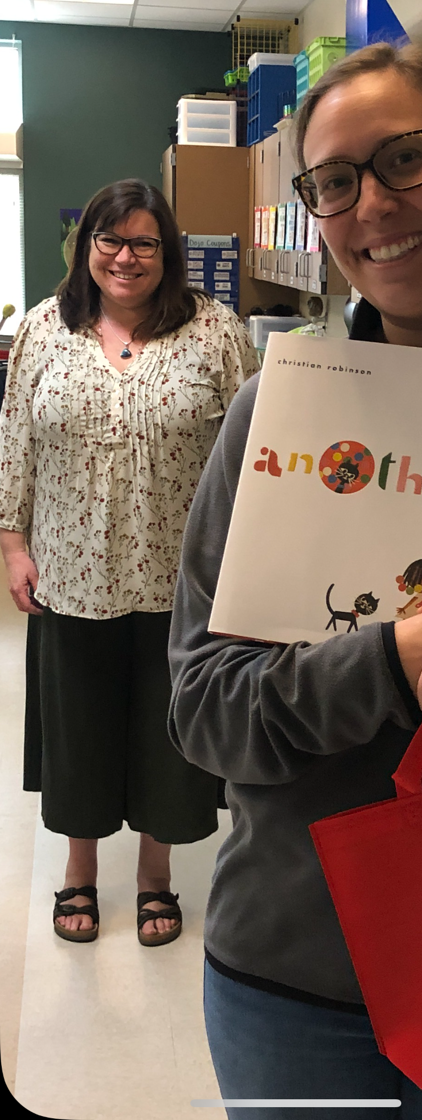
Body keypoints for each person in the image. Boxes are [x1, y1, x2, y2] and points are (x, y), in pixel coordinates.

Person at [167, 43, 422, 1115]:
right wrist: (386, 664)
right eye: (336, 182)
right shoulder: (277, 414)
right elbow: (204, 708)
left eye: (406, 157)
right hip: (296, 969)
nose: (373, 206)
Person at [0, 178, 259, 946]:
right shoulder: (46, 330)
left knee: (168, 733)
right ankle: (78, 872)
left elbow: (252, 450)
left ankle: (155, 878)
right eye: (109, 240)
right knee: (78, 730)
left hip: (181, 580)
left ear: (167, 253)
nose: (125, 257)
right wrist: (13, 543)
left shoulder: (215, 332)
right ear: (86, 250)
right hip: (70, 573)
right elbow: (16, 439)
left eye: (144, 242)